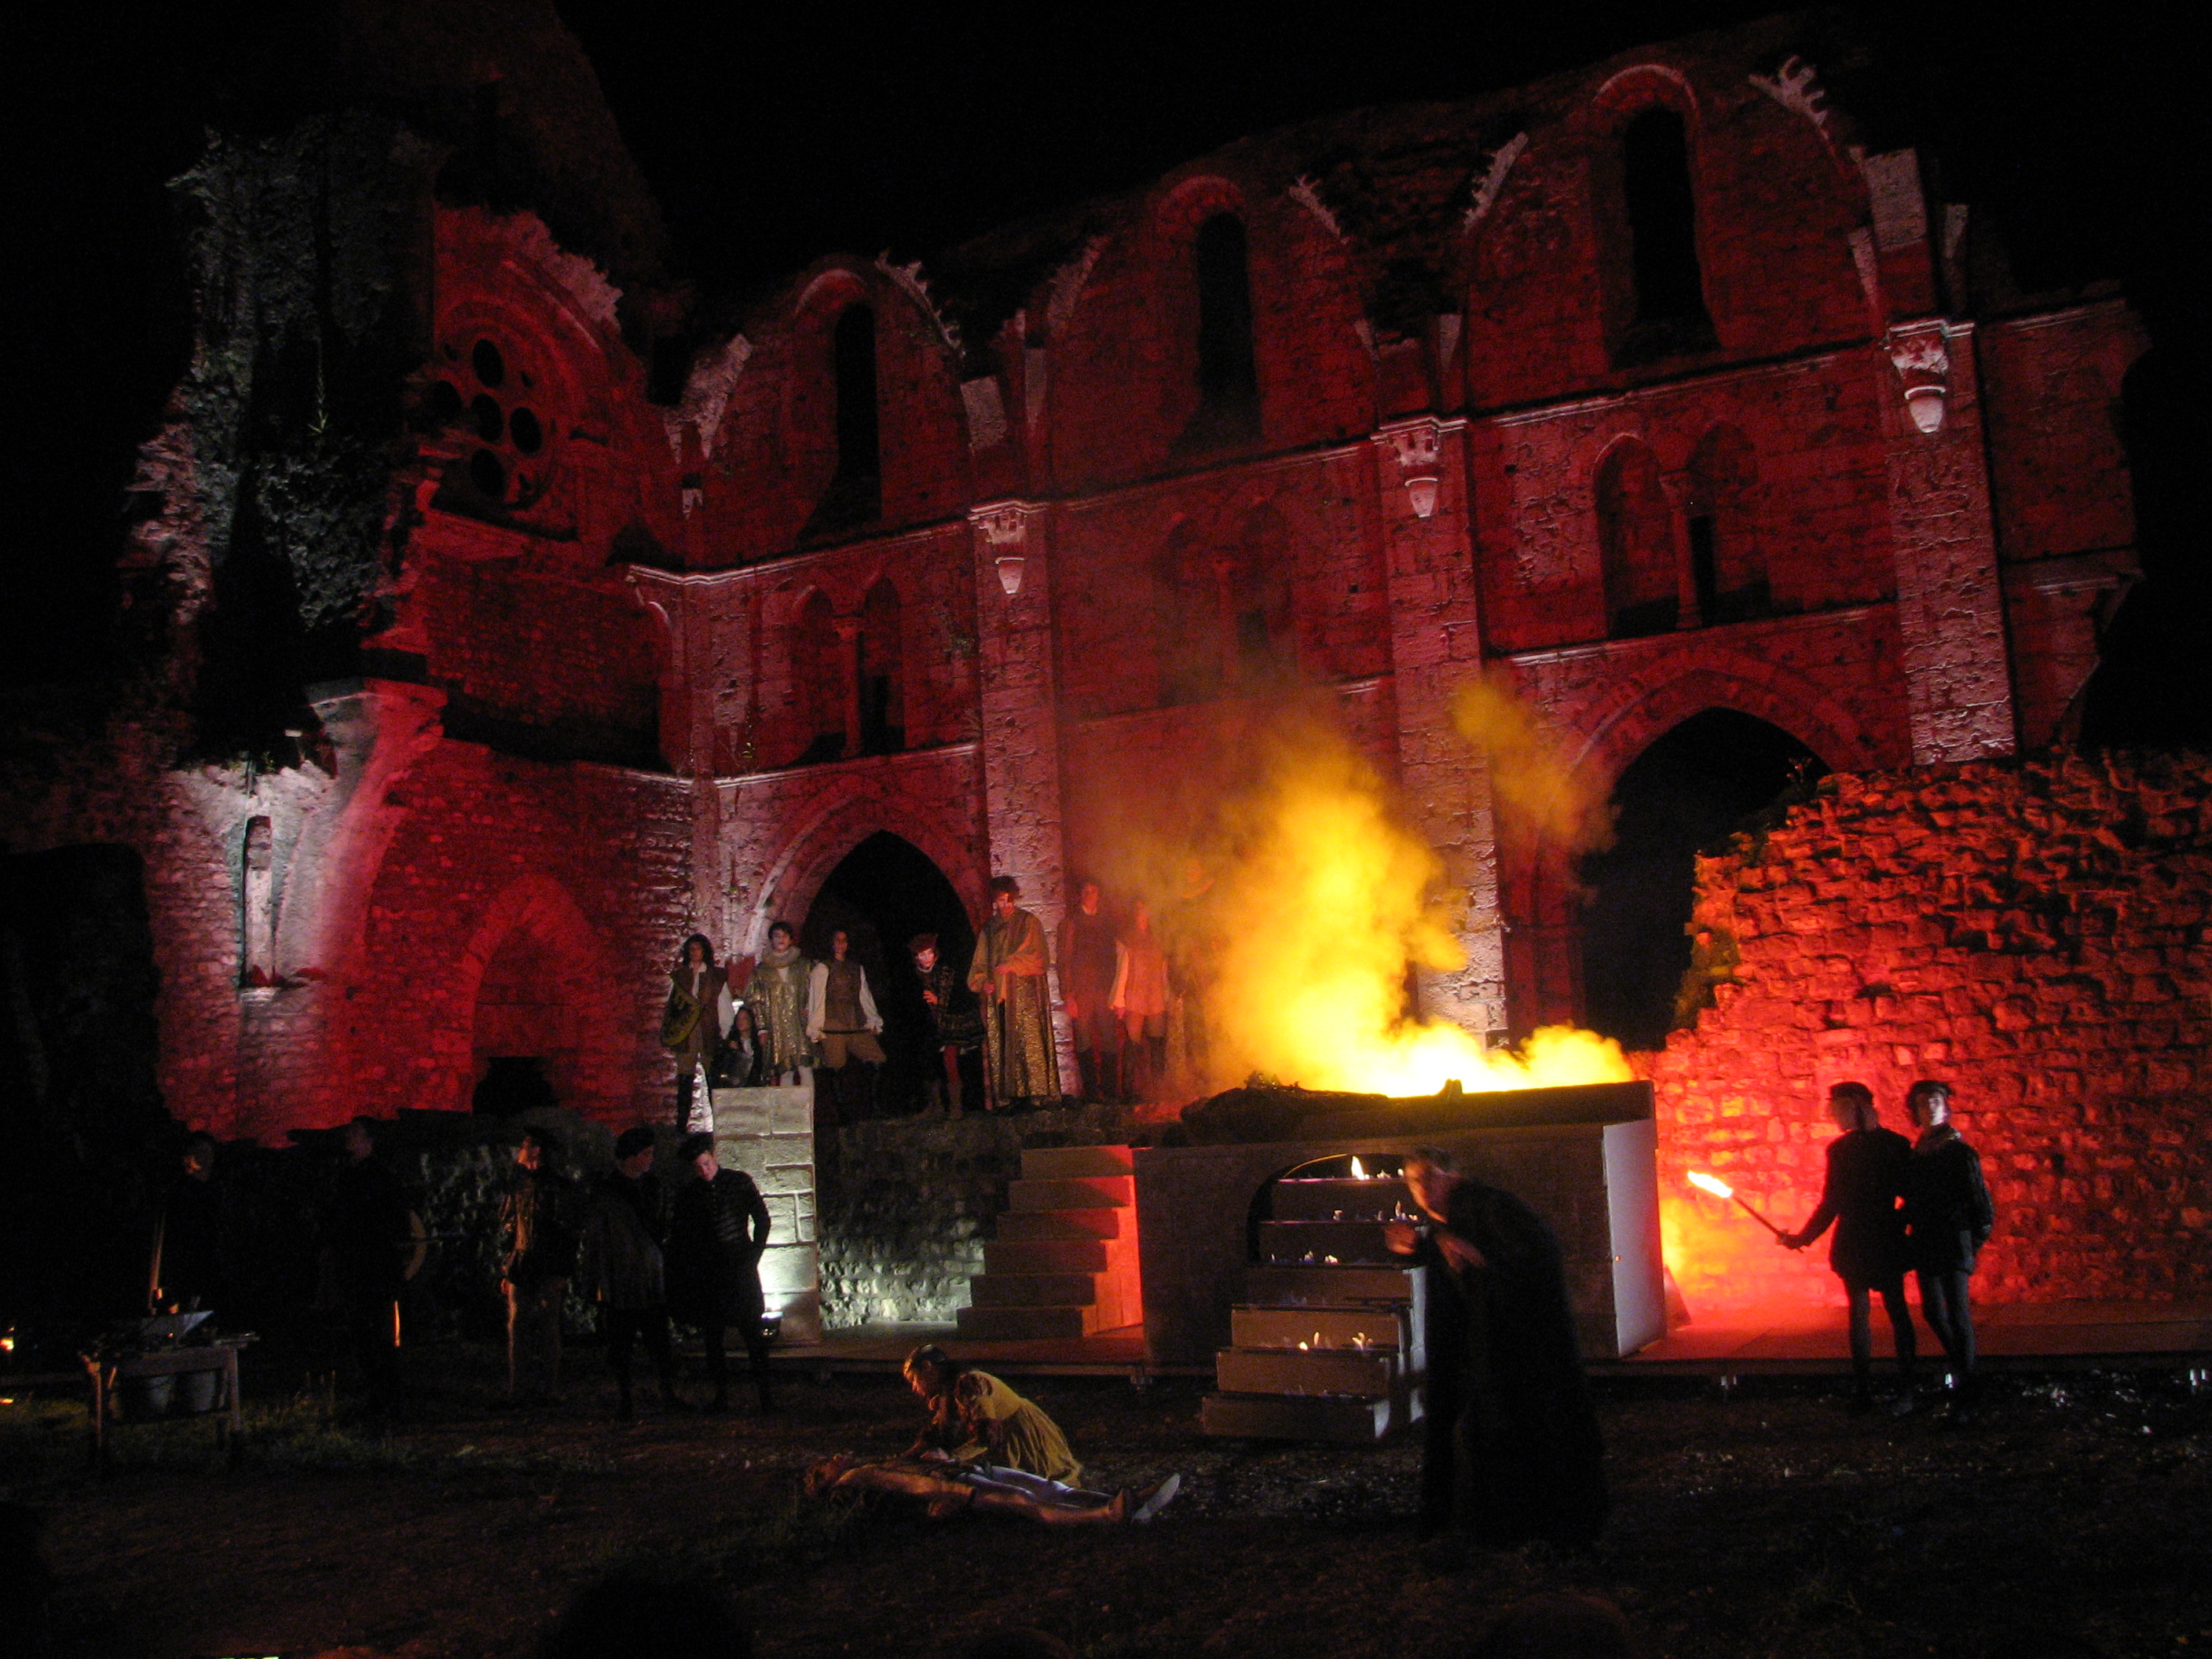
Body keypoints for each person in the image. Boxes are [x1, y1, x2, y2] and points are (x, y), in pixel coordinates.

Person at [1384, 1146, 1606, 1548]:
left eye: (1430, 1177)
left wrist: (1484, 1260)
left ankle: (1519, 1525)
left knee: (1507, 1431)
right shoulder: (1447, 1220)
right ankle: (1480, 1521)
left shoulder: (1492, 1208)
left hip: (1519, 1349)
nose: (1422, 1189)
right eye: (1414, 1181)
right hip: (1477, 1351)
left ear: (1453, 1176)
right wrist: (1420, 1247)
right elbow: (1451, 1267)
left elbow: (1535, 1258)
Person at [1780, 1081, 1917, 1410]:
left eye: (1839, 1108)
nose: (1834, 1115)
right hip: (1865, 1236)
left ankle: (1903, 1391)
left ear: (1855, 1106)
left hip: (1877, 1235)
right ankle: (1868, 1391)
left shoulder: (1893, 1146)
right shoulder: (1847, 1149)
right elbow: (1833, 1202)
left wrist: (1898, 1223)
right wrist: (1803, 1237)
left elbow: (1911, 1194)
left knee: (1891, 1311)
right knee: (1865, 1313)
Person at [580, 1126, 683, 1420]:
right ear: (631, 1157)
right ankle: (625, 1400)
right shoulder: (608, 1192)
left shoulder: (652, 1187)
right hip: (621, 1278)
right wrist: (597, 1281)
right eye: (646, 1154)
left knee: (659, 1341)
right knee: (621, 1345)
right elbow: (598, 1240)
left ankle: (667, 1393)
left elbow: (662, 1227)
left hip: (650, 1276)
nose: (651, 1159)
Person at [1903, 1079, 1995, 1401]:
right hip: (1927, 1242)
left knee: (1958, 1314)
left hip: (1953, 1242)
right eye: (1923, 1103)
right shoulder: (1917, 1156)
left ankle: (1967, 1385)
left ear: (1946, 1107)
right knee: (1933, 1311)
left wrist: (1970, 1242)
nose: (1929, 1107)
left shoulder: (1960, 1153)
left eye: (1935, 1101)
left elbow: (1981, 1206)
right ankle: (1963, 1370)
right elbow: (1913, 1202)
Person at [667, 1132, 773, 1412]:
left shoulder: (738, 1182)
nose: (704, 1171)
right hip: (710, 1274)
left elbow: (762, 1219)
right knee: (714, 1338)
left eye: (706, 1164)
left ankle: (766, 1397)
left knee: (752, 1334)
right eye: (698, 1167)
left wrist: (754, 1253)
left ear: (713, 1158)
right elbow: (682, 1237)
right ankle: (721, 1397)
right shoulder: (689, 1195)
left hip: (739, 1268)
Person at [803, 1454, 1161, 1528]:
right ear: (825, 1481)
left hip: (963, 1474)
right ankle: (1106, 1516)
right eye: (825, 1466)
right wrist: (946, 1494)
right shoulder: (854, 1479)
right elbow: (906, 1489)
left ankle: (1126, 1502)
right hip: (957, 1487)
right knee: (1028, 1503)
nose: (834, 1458)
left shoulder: (864, 1469)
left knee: (1046, 1489)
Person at [328, 1117, 415, 1418]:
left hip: (375, 1270)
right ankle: (374, 1395)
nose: (348, 1137)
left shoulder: (380, 1177)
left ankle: (388, 1398)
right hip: (353, 1268)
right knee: (361, 1337)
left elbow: (395, 1223)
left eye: (354, 1133)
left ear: (368, 1139)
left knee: (379, 1337)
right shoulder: (345, 1174)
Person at [902, 1343, 1082, 1483]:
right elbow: (938, 1431)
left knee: (1025, 1482)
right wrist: (909, 1457)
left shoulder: (970, 1384)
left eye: (914, 1380)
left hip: (1018, 1433)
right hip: (1002, 1436)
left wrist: (950, 1458)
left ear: (928, 1368)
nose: (915, 1388)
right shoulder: (946, 1394)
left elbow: (988, 1435)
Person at [499, 1126, 584, 1404]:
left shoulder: (559, 1187)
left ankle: (549, 1389)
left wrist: (561, 1270)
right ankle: (517, 1389)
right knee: (517, 1327)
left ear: (537, 1151)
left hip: (548, 1264)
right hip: (522, 1263)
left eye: (525, 1146)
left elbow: (569, 1232)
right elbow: (510, 1226)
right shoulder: (518, 1185)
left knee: (548, 1327)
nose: (520, 1152)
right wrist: (507, 1265)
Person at [967, 876, 1057, 1110]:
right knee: (1007, 1042)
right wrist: (984, 981)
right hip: (1002, 995)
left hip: (1026, 993)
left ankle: (1036, 1093)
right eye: (1000, 901)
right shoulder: (990, 928)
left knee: (1030, 1041)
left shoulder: (1029, 922)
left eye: (1008, 900)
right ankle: (1010, 1096)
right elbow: (980, 962)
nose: (1004, 905)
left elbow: (1039, 957)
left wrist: (1013, 964)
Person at [807, 928, 886, 1123]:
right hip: (833, 1023)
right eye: (837, 940)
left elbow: (864, 995)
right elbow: (817, 998)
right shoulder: (823, 969)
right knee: (836, 1067)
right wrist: (815, 1027)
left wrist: (873, 1020)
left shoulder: (855, 968)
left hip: (854, 1021)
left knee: (877, 1060)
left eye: (844, 940)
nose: (841, 944)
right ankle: (841, 1113)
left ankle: (873, 1107)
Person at [1057, 880, 1121, 1103]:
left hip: (1104, 990)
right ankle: (1092, 1092)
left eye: (1093, 891)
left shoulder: (1106, 923)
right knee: (1084, 1041)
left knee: (1109, 1040)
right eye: (1085, 891)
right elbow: (1064, 960)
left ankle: (1111, 1090)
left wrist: (1117, 993)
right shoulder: (1071, 923)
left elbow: (1115, 958)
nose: (1089, 895)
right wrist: (1068, 995)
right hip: (1082, 991)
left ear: (1099, 895)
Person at [663, 935, 734, 1130]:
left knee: (713, 1078)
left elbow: (724, 1005)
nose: (695, 952)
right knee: (685, 1078)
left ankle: (721, 1125)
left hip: (709, 1030)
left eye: (698, 948)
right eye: (692, 949)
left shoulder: (715, 977)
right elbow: (674, 1008)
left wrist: (726, 1032)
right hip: (687, 1033)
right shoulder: (680, 977)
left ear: (705, 952)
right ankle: (681, 1125)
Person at [152, 1131, 227, 1313]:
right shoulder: (180, 1189)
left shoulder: (218, 1187)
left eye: (208, 1152)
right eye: (200, 1152)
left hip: (211, 1252)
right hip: (186, 1253)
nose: (205, 1157)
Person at [910, 932, 982, 1116]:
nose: (926, 958)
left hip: (952, 1024)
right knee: (928, 1063)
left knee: (950, 1060)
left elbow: (960, 997)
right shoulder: (915, 978)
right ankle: (935, 1105)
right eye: (922, 955)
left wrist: (939, 1001)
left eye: (929, 953)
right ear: (916, 958)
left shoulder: (946, 972)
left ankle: (956, 1106)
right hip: (931, 1028)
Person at [1110, 900, 1170, 1101]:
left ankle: (1158, 1089)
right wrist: (1119, 1000)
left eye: (1145, 911)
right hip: (1135, 996)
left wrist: (1166, 996)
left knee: (1157, 1044)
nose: (1142, 914)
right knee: (1133, 1043)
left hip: (1155, 996)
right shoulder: (1127, 940)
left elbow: (1163, 971)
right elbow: (1122, 971)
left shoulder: (1157, 940)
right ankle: (1128, 1090)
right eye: (1139, 911)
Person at [745, 921, 814, 1084]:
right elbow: (757, 1001)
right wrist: (762, 1028)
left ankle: (808, 1108)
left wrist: (810, 1009)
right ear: (771, 940)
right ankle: (787, 1109)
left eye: (784, 936)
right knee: (785, 1070)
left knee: (806, 1067)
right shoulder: (762, 970)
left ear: (790, 939)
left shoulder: (803, 966)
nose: (781, 939)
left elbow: (815, 991)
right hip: (776, 1025)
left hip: (800, 1024)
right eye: (777, 936)